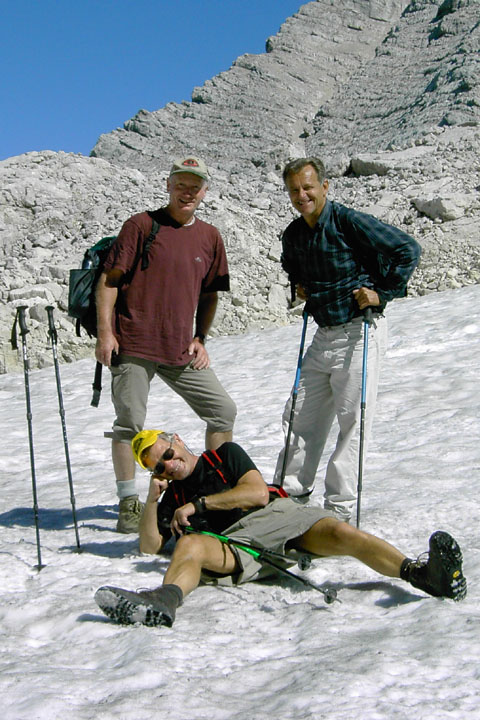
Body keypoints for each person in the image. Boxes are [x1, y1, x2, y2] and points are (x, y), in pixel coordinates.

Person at [94, 430, 466, 627]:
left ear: (177, 441)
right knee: (189, 545)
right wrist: (153, 499)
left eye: (167, 455)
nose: (168, 466)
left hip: (276, 516)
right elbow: (149, 546)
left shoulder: (224, 455)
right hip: (234, 545)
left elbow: (257, 494)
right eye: (158, 468)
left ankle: (422, 575)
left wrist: (200, 504)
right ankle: (163, 602)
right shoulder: (171, 497)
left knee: (343, 534)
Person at [273, 157, 422, 520]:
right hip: (323, 334)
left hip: (360, 331)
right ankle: (290, 499)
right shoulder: (294, 234)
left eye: (308, 187)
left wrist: (382, 293)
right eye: (294, 190)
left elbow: (407, 249)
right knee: (299, 416)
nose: (301, 195)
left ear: (325, 187)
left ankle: (338, 511)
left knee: (352, 422)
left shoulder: (348, 221)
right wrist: (300, 287)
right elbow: (292, 267)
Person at [95, 156, 237, 534]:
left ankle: (213, 488)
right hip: (134, 343)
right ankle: (128, 502)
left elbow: (210, 294)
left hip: (179, 349)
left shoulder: (210, 237)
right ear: (169, 186)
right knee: (129, 424)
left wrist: (200, 337)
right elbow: (109, 281)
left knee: (222, 411)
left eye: (195, 186)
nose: (187, 192)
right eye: (181, 185)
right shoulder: (142, 225)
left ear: (205, 191)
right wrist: (106, 333)